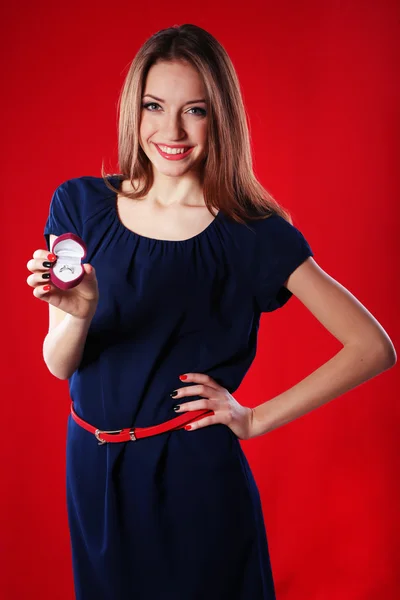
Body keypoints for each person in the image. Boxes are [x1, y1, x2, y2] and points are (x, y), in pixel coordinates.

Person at [26, 23, 396, 600]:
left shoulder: (251, 233)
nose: (171, 130)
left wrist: (254, 419)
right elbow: (57, 364)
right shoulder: (79, 204)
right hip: (93, 473)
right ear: (134, 108)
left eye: (194, 110)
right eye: (155, 106)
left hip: (193, 478)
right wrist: (78, 312)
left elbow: (374, 347)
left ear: (220, 116)